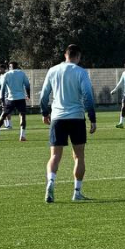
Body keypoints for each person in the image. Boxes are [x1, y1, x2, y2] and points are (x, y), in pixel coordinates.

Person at [40, 45, 97, 204]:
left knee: (55, 156)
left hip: (57, 117)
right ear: (78, 56)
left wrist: (45, 113)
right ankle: (76, 192)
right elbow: (88, 96)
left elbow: (44, 95)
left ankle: (51, 182)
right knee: (79, 156)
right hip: (76, 117)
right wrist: (92, 118)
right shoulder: (81, 72)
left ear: (65, 55)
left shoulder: (53, 70)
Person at [0, 61, 31, 142]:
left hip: (11, 98)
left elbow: (3, 87)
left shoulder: (7, 74)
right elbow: (27, 85)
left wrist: (1, 98)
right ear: (17, 66)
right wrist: (28, 95)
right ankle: (22, 135)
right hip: (21, 98)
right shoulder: (22, 73)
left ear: (9, 67)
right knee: (22, 116)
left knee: (3, 115)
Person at [0, 63, 11, 129]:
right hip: (2, 96)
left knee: (7, 110)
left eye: (0, 69)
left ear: (4, 69)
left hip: (7, 95)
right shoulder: (0, 76)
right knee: (3, 110)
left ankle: (9, 125)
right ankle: (6, 125)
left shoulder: (7, 75)